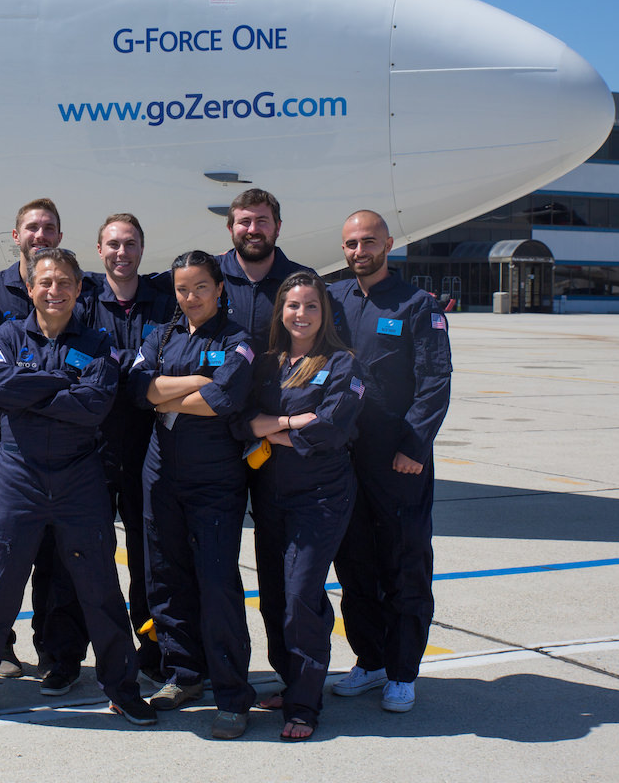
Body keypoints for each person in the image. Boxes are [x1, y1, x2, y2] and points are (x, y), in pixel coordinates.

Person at [0, 249, 156, 728]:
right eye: (46, 282)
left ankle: (122, 688)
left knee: (101, 591)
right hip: (19, 479)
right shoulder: (7, 335)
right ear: (30, 288)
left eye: (65, 283)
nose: (55, 291)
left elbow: (94, 405)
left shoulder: (98, 344)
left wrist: (32, 389)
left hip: (79, 479)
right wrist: (59, 383)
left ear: (79, 289)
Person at [327, 211, 452, 714]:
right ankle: (371, 659)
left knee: (403, 564)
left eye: (369, 241)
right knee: (354, 563)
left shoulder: (417, 306)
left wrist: (414, 447)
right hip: (343, 457)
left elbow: (435, 381)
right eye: (352, 243)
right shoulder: (333, 300)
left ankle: (402, 671)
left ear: (389, 244)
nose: (360, 251)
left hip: (398, 460)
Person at [131, 250, 257, 740]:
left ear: (219, 288)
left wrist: (165, 394)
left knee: (217, 586)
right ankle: (183, 674)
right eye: (183, 289)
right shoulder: (161, 335)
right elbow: (137, 390)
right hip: (161, 476)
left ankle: (232, 695)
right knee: (165, 579)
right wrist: (194, 384)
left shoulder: (237, 341)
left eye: (201, 287)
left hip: (214, 482)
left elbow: (224, 399)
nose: (191, 297)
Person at [245, 273, 366, 740]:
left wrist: (273, 429)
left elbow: (333, 427)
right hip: (271, 494)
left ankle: (304, 704)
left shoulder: (342, 363)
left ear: (325, 312)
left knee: (301, 597)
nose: (301, 314)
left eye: (311, 306)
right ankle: (290, 680)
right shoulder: (270, 362)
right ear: (281, 311)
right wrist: (292, 424)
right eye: (292, 305)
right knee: (274, 597)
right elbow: (242, 419)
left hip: (321, 498)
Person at [0, 198, 83, 684]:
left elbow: (86, 362)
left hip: (63, 447)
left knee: (59, 559)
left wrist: (28, 387)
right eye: (32, 228)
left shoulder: (79, 285)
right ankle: (0, 648)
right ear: (15, 235)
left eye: (49, 228)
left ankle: (58, 653)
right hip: (5, 445)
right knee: (2, 553)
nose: (41, 235)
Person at [77, 213, 175, 677]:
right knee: (82, 555)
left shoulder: (164, 305)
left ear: (141, 249)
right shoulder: (82, 302)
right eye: (113, 244)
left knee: (147, 557)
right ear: (100, 250)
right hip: (91, 449)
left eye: (130, 243)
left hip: (148, 448)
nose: (122, 252)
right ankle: (66, 654)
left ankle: (153, 649)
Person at [217, 188, 316, 357]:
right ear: (230, 228)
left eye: (262, 221)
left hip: (283, 382)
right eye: (245, 222)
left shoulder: (305, 280)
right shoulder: (209, 274)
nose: (253, 230)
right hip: (219, 381)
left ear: (277, 227)